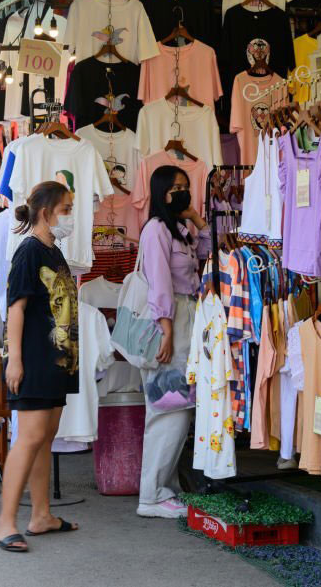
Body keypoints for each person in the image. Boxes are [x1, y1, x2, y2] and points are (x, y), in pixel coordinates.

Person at [0, 181, 80, 553]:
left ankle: (41, 515)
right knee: (29, 438)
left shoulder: (54, 250)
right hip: (34, 358)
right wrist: (15, 359)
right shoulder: (29, 252)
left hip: (58, 360)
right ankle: (4, 522)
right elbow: (16, 307)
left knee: (45, 437)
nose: (71, 216)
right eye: (67, 208)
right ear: (46, 212)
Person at [135, 166, 209, 519]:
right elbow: (160, 284)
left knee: (179, 408)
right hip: (170, 323)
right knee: (170, 410)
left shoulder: (180, 229)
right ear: (160, 192)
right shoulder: (155, 231)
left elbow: (210, 250)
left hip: (185, 320)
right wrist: (166, 330)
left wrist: (195, 216)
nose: (181, 192)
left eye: (185, 186)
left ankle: (164, 488)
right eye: (174, 188)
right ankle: (151, 495)